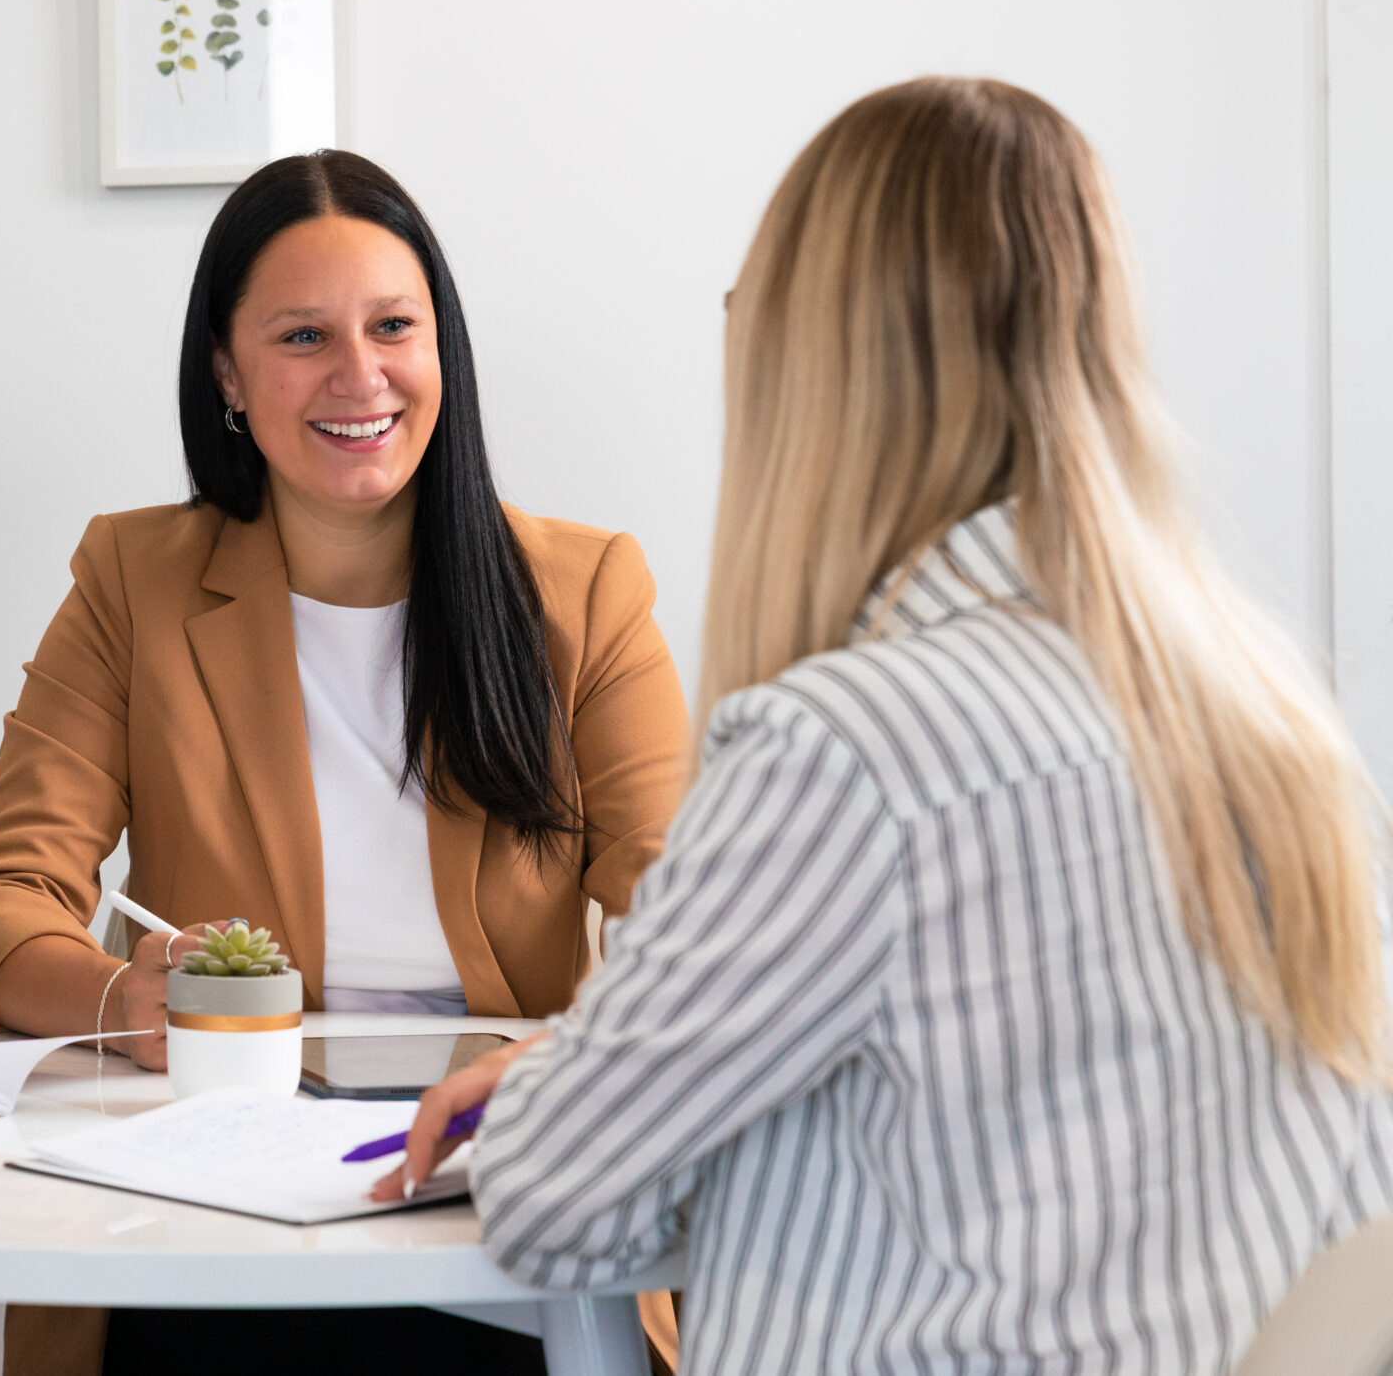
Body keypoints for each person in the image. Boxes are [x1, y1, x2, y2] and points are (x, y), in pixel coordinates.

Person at [383, 77, 1393, 1374]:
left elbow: (554, 1202)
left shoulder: (847, 753)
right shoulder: (1267, 712)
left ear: (812, 369)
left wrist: (562, 1088)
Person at [0, 149, 693, 1374]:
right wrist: (120, 1000)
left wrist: (569, 1060)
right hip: (208, 1208)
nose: (358, 375)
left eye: (392, 328)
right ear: (226, 371)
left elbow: (692, 922)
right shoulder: (133, 582)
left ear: (441, 349)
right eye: (303, 336)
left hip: (489, 1196)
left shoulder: (584, 592)